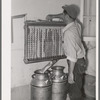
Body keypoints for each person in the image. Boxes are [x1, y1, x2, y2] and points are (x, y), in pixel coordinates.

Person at [40, 4, 86, 100]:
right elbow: (65, 15)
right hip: (80, 61)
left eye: (64, 14)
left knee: (75, 92)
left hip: (75, 63)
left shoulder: (68, 33)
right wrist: (53, 16)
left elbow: (72, 56)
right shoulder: (77, 24)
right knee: (74, 87)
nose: (62, 16)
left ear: (67, 16)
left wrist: (70, 74)